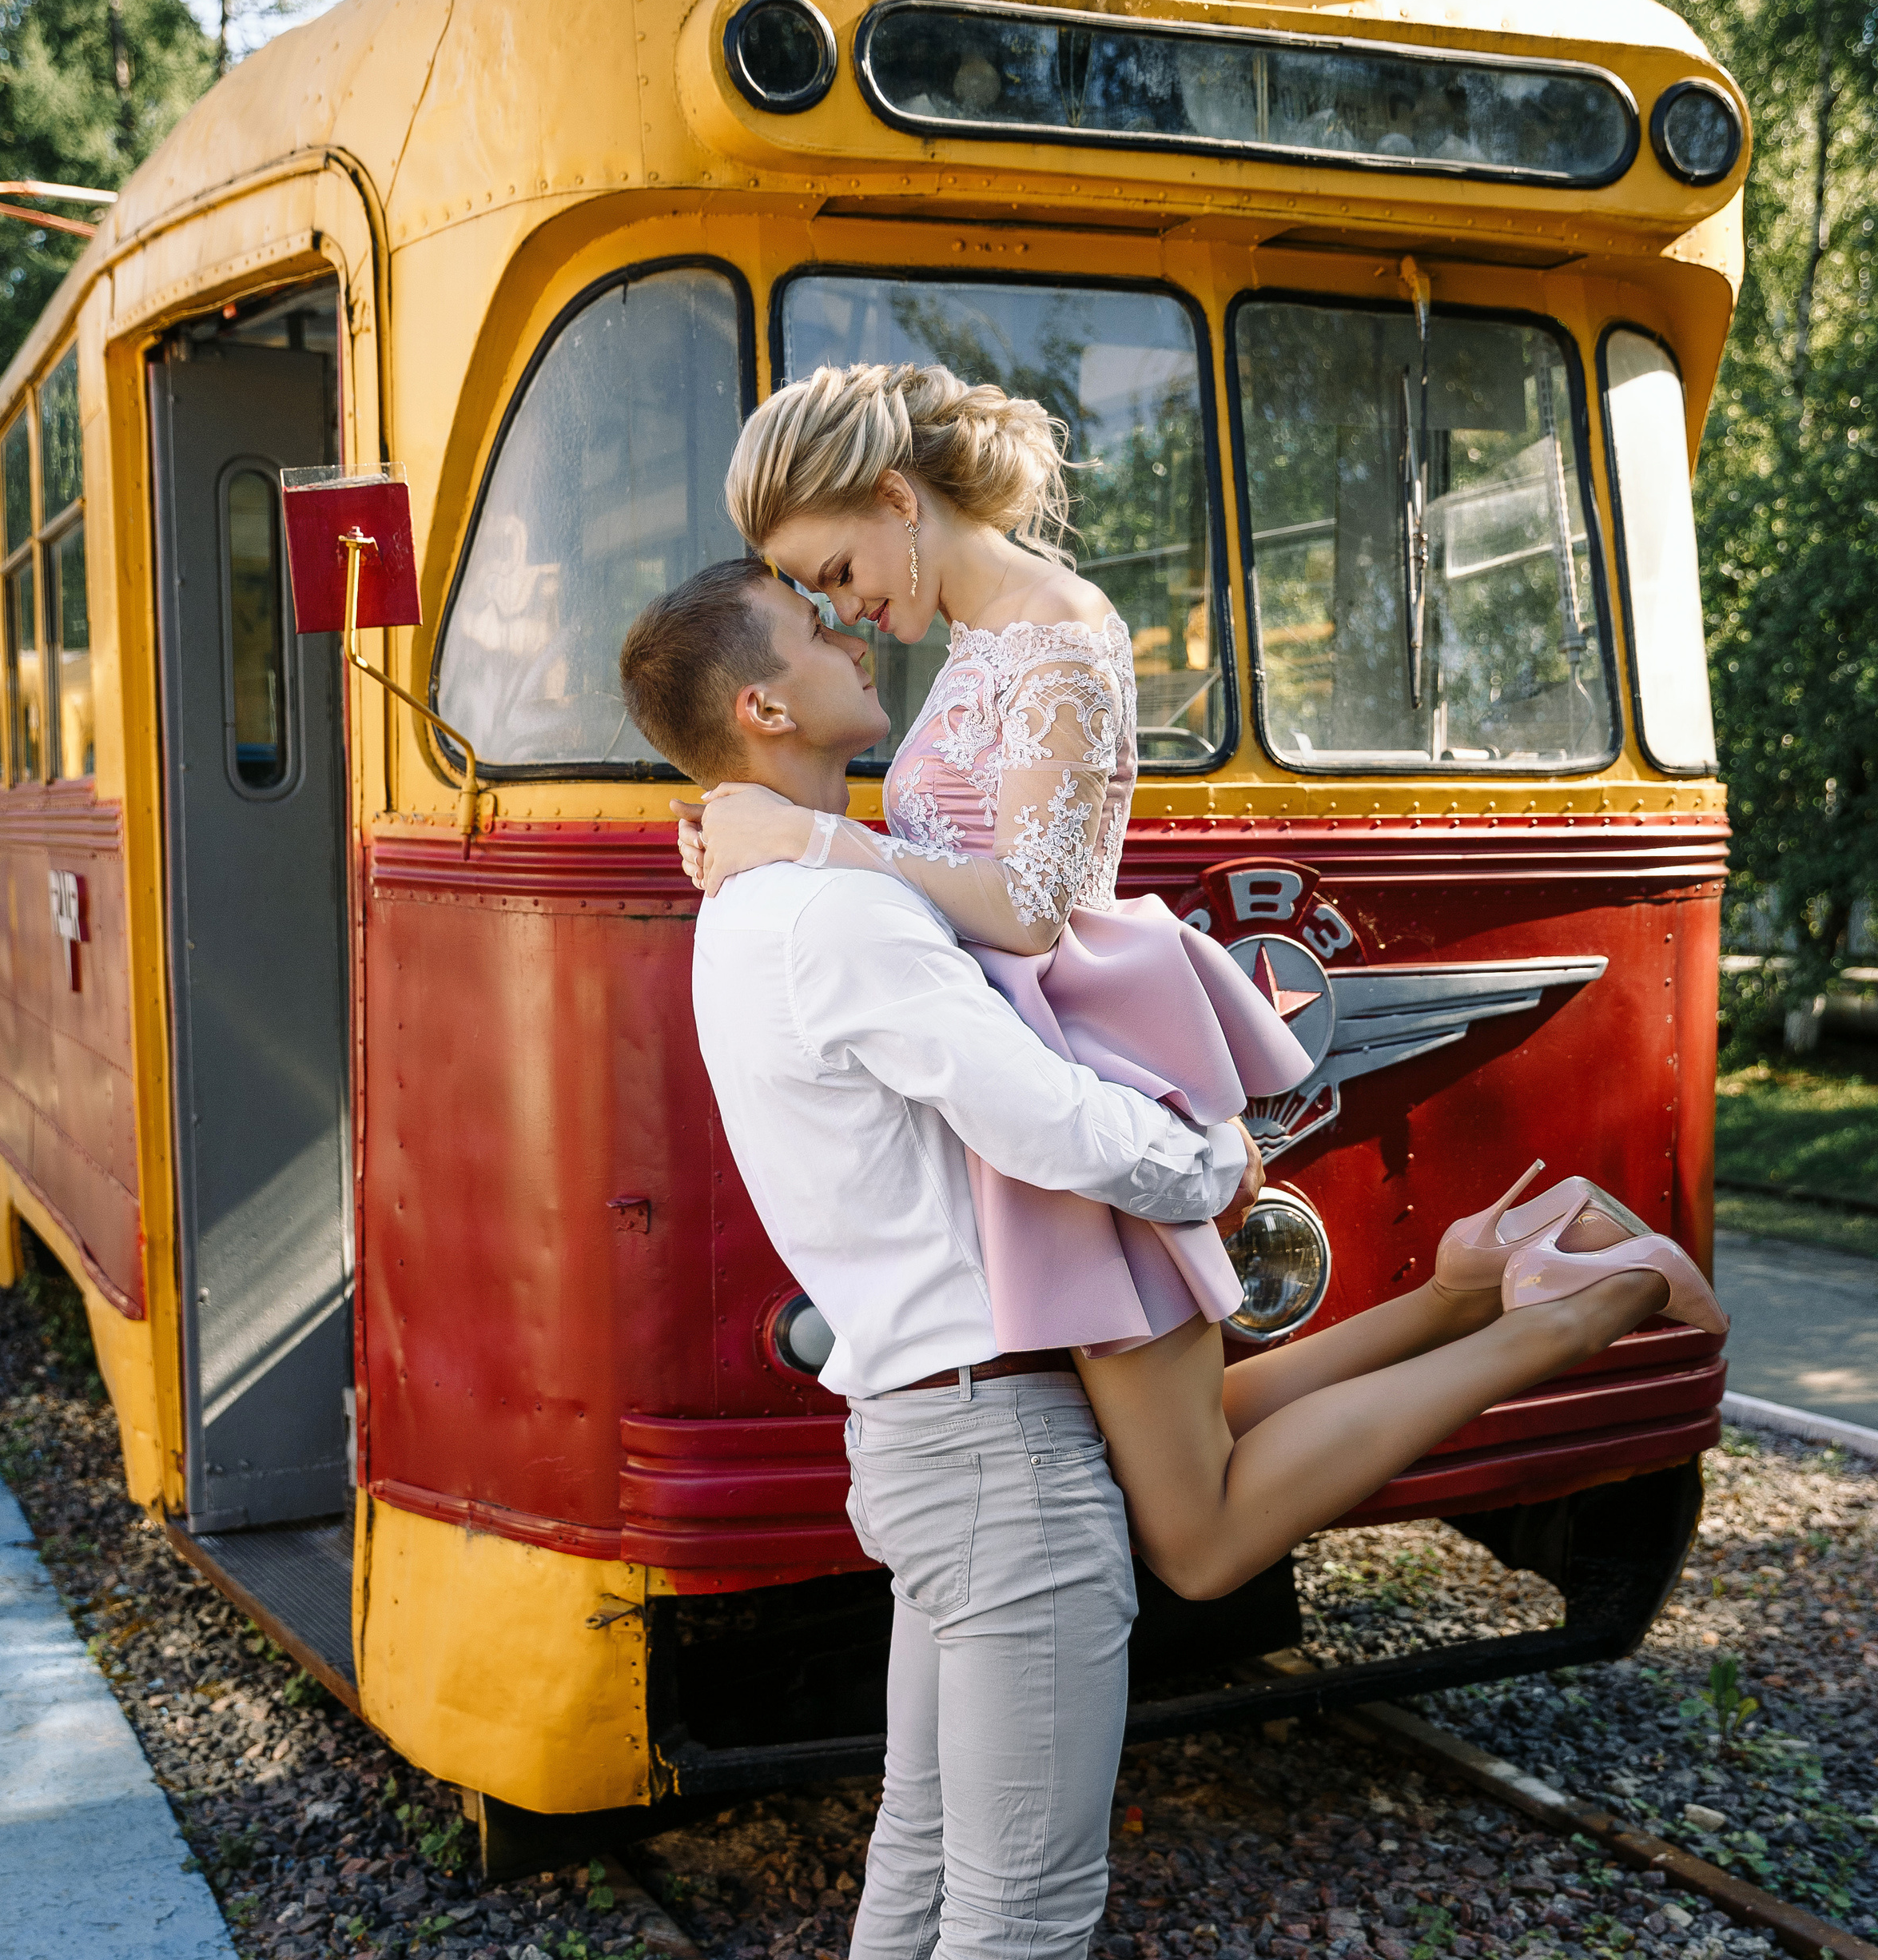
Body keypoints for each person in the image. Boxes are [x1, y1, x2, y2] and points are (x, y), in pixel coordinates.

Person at [617, 553, 1716, 1960]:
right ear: (760, 710)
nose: (852, 636)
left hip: (930, 1423)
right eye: (815, 636)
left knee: (932, 1859)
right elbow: (1036, 1115)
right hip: (991, 1443)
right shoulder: (824, 922)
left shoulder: (767, 905)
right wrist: (1212, 1156)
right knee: (1016, 1910)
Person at [689, 357, 1725, 1600]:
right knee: (1191, 1450)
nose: (843, 609)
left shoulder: (1058, 634)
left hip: (1088, 1080)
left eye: (838, 572)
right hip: (1044, 1092)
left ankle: (1581, 1307)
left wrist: (813, 844)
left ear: (899, 501)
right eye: (816, 596)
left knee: (1200, 1537)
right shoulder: (984, 642)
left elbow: (1030, 908)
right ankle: (1485, 1275)